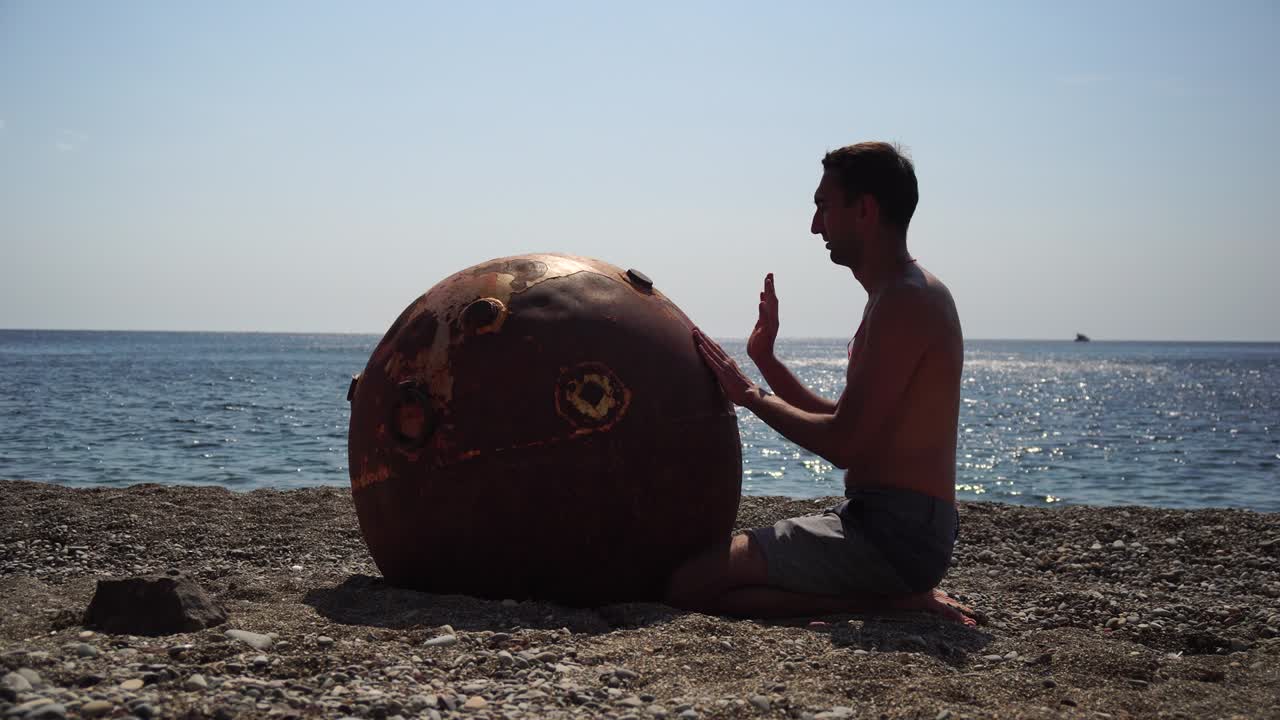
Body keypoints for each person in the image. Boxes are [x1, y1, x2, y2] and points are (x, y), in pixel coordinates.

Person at [665, 142, 973, 624]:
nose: (815, 226)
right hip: (886, 525)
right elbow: (844, 418)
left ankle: (892, 605)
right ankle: (892, 599)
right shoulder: (900, 295)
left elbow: (845, 444)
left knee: (689, 585)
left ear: (866, 210)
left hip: (896, 536)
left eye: (824, 207)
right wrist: (766, 361)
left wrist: (750, 398)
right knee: (704, 577)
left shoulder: (905, 302)